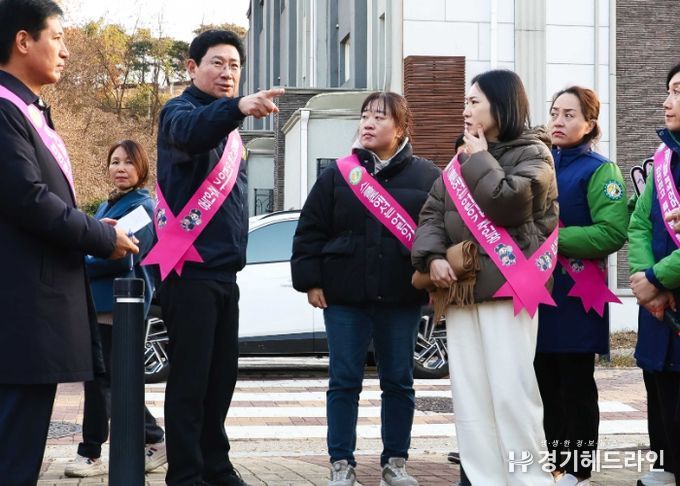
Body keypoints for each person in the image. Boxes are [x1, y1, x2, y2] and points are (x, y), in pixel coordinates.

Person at [0, 0, 139, 483]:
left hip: (29, 309)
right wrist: (101, 234)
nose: (65, 52)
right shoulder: (6, 110)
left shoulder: (27, 109)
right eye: (57, 38)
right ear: (23, 41)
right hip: (21, 312)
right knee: (13, 451)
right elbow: (29, 199)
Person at [149, 29, 283, 486]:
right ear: (192, 67)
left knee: (220, 380)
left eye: (234, 66)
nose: (228, 73)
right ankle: (186, 475)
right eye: (217, 63)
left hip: (225, 273)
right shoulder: (179, 113)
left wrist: (235, 111)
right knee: (190, 382)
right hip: (189, 272)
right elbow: (194, 133)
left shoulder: (230, 130)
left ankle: (215, 466)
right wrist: (238, 107)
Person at [412, 69, 557, 486]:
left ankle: (530, 480)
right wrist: (432, 257)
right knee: (471, 397)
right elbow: (432, 214)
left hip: (509, 289)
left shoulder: (535, 154)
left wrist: (478, 159)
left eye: (474, 102)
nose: (465, 110)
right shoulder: (461, 160)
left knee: (512, 394)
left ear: (502, 105)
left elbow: (509, 203)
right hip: (463, 290)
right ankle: (483, 479)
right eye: (466, 102)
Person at [291, 91, 440, 486]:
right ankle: (341, 463)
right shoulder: (337, 175)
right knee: (343, 381)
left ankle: (396, 462)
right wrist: (311, 281)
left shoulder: (427, 176)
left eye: (380, 117)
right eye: (365, 116)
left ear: (401, 127)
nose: (369, 123)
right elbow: (310, 230)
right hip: (344, 297)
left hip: (400, 297)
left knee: (399, 381)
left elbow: (437, 231)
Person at [534, 86, 628, 486]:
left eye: (569, 115)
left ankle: (578, 468)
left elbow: (611, 232)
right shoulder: (539, 164)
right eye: (555, 112)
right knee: (543, 383)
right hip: (536, 292)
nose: (558, 121)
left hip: (578, 294)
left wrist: (551, 238)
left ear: (590, 124)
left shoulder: (600, 171)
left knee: (574, 386)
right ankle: (552, 462)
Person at [64, 140, 167, 477]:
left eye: (128, 162)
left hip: (120, 307)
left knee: (105, 381)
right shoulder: (108, 206)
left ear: (142, 169)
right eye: (115, 162)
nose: (120, 168)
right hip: (99, 304)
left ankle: (94, 452)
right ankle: (147, 441)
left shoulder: (143, 208)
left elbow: (121, 256)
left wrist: (78, 260)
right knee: (107, 380)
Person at [628, 62, 680, 486]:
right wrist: (646, 280)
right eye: (669, 90)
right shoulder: (663, 158)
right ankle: (665, 465)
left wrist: (658, 278)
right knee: (659, 388)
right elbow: (639, 224)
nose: (667, 101)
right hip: (658, 308)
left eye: (678, 91)